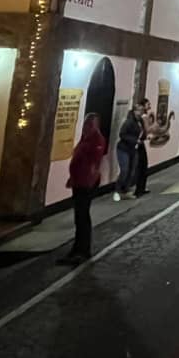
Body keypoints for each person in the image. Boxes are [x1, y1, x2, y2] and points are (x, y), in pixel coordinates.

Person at [61, 114, 106, 265]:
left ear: (96, 126)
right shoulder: (86, 138)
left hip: (85, 183)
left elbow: (93, 163)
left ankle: (82, 250)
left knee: (82, 217)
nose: (86, 127)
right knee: (79, 217)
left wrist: (88, 181)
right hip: (79, 181)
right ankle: (77, 249)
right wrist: (73, 177)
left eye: (89, 125)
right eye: (86, 124)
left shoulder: (96, 140)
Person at [113, 102, 144, 201]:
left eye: (142, 111)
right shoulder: (129, 121)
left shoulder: (140, 121)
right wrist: (135, 140)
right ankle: (118, 190)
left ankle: (126, 190)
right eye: (138, 110)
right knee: (125, 170)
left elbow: (142, 132)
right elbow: (122, 134)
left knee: (132, 170)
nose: (140, 112)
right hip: (123, 148)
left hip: (133, 149)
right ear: (134, 111)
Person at [132, 98, 153, 198]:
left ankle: (141, 188)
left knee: (142, 166)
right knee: (141, 166)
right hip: (137, 144)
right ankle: (139, 189)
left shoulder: (139, 120)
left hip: (139, 143)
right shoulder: (142, 118)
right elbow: (147, 129)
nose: (149, 106)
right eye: (148, 104)